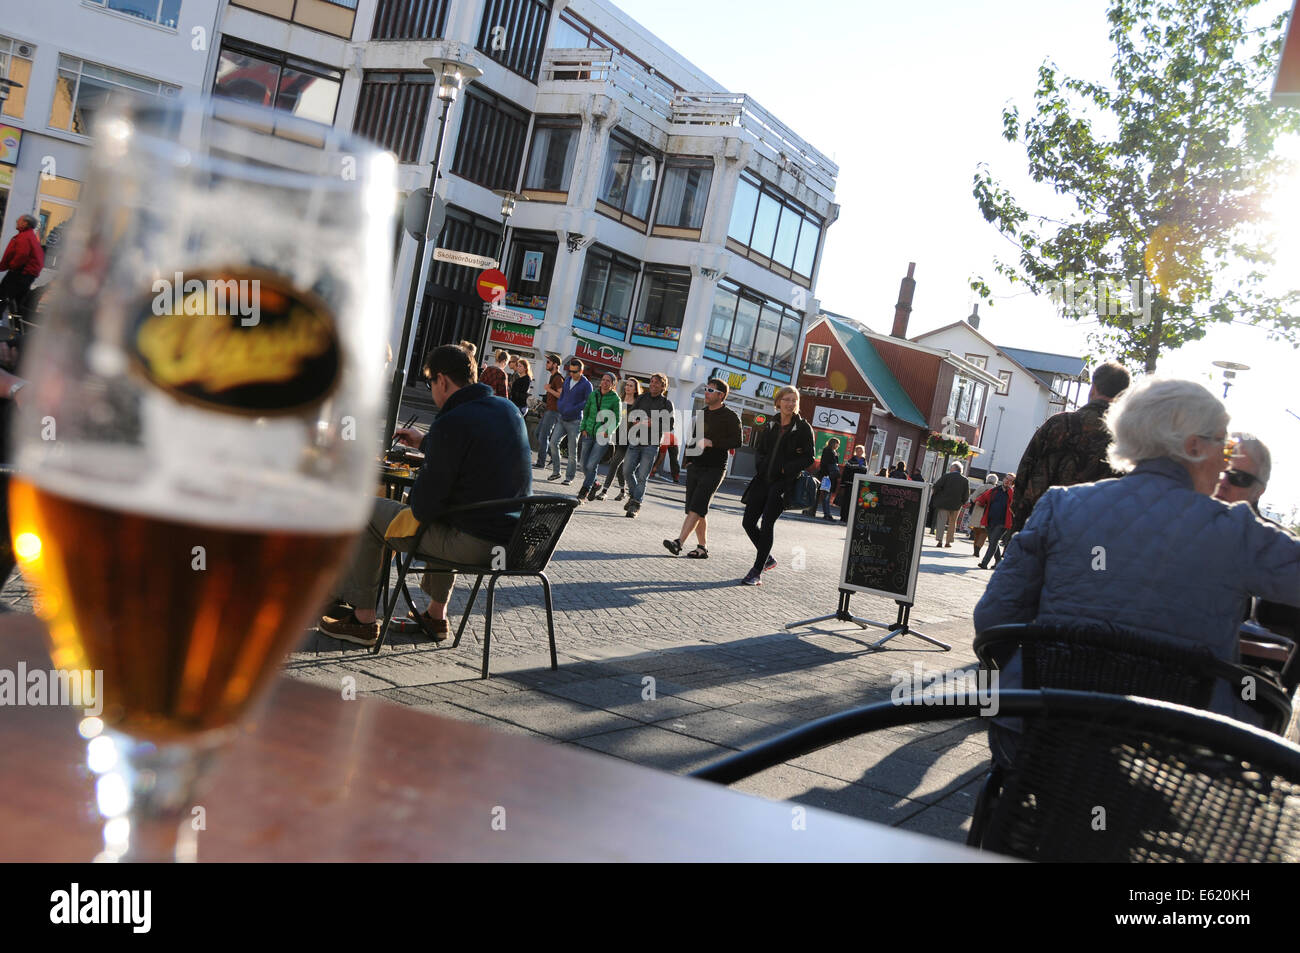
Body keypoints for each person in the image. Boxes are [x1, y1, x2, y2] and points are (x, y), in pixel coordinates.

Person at [974, 378, 1300, 760]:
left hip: (1041, 730)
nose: (1226, 462)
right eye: (1225, 447)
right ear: (1194, 447)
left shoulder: (1059, 506)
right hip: (1171, 749)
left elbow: (993, 618)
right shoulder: (1237, 531)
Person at [319, 345, 531, 647]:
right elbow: (477, 451)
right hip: (511, 542)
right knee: (447, 513)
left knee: (365, 512)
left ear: (442, 380)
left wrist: (433, 460)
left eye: (431, 383)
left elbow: (423, 507)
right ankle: (435, 615)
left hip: (473, 543)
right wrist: (429, 444)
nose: (432, 390)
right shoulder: (506, 410)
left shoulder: (452, 421)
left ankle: (363, 620)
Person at [1214, 434, 1300, 687]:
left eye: (1239, 478)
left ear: (1258, 491)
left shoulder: (1270, 546)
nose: (1223, 483)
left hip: (1231, 680)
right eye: (1219, 471)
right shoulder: (1175, 521)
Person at [1011, 361, 1130, 532]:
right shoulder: (1128, 438)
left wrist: (1020, 515)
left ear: (1093, 388)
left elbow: (1024, 471)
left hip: (1040, 525)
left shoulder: (1059, 424)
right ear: (1124, 395)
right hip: (1093, 534)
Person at [739, 386, 815, 586]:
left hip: (784, 483)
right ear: (779, 402)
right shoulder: (771, 423)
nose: (790, 404)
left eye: (794, 400)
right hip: (763, 478)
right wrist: (761, 464)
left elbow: (809, 457)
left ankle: (756, 570)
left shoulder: (803, 428)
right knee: (747, 522)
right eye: (787, 399)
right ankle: (768, 559)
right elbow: (760, 449)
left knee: (767, 524)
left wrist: (786, 469)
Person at [664, 378, 741, 559]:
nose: (706, 392)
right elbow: (692, 439)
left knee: (698, 506)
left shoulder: (730, 416)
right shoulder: (702, 413)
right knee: (696, 508)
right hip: (696, 466)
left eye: (710, 390)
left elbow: (737, 442)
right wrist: (688, 461)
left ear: (721, 395)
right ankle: (702, 548)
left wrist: (713, 443)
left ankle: (678, 543)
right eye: (706, 389)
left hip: (715, 468)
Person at [623, 372, 673, 518]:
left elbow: (669, 424)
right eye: (651, 382)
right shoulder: (642, 398)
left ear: (663, 386)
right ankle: (633, 497)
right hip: (636, 439)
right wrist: (636, 420)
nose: (652, 384)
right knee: (626, 471)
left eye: (656, 382)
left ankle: (635, 504)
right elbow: (632, 414)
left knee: (642, 476)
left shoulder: (666, 404)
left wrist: (653, 422)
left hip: (651, 444)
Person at [575, 372, 621, 503]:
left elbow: (617, 418)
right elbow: (586, 411)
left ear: (613, 384)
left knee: (591, 464)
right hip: (588, 433)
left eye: (608, 381)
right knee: (583, 464)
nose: (605, 382)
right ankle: (595, 483)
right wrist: (583, 428)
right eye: (603, 380)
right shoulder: (593, 394)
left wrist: (608, 431)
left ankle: (584, 491)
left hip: (602, 436)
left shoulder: (615, 399)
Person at [546, 358, 592, 486]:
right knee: (553, 443)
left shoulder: (587, 385)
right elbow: (562, 396)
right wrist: (560, 406)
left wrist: (573, 408)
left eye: (574, 371)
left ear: (581, 371)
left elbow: (588, 402)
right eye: (570, 371)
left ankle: (569, 477)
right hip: (562, 418)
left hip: (575, 421)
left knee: (572, 451)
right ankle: (556, 471)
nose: (571, 374)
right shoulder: (567, 380)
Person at [596, 377, 641, 501]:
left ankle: (604, 491)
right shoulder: (620, 400)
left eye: (631, 386)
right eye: (627, 385)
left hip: (630, 438)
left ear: (636, 389)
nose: (628, 387)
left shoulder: (638, 403)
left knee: (615, 463)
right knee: (619, 466)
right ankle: (622, 491)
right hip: (617, 436)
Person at [0, 215, 43, 320]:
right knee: (18, 300)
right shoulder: (29, 236)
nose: (17, 221)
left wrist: (12, 266)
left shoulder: (24, 237)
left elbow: (22, 255)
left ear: (25, 223)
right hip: (27, 273)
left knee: (3, 296)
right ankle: (19, 325)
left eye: (19, 220)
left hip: (20, 273)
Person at [973, 473, 1014, 569]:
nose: (1007, 481)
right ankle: (999, 562)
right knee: (993, 542)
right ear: (1003, 479)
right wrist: (979, 502)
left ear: (1013, 483)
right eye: (1006, 479)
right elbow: (981, 499)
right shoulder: (994, 490)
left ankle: (984, 563)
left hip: (1003, 523)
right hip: (990, 521)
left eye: (1010, 480)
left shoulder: (1013, 494)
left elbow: (1016, 506)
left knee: (993, 541)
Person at [535, 353, 564, 470]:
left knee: (543, 436)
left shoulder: (558, 378)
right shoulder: (553, 377)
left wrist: (548, 389)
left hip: (554, 412)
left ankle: (541, 463)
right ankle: (554, 456)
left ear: (555, 364)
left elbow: (561, 395)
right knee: (538, 433)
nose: (546, 364)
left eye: (548, 362)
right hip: (549, 410)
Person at [931, 463, 971, 547]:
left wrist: (936, 496)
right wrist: (963, 502)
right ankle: (948, 542)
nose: (950, 469)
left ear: (954, 469)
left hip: (943, 503)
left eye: (951, 468)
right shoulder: (965, 480)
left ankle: (940, 540)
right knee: (952, 523)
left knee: (941, 521)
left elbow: (937, 486)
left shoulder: (946, 476)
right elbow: (966, 494)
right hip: (956, 504)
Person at [966, 473, 999, 557]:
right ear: (996, 482)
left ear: (987, 479)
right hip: (989, 514)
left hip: (977, 512)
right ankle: (978, 549)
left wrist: (979, 501)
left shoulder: (981, 487)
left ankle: (975, 550)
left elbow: (973, 498)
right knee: (984, 533)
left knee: (977, 532)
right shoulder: (997, 490)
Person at [810, 437, 840, 520]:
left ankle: (812, 511)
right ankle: (826, 514)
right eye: (837, 443)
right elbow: (827, 464)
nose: (838, 445)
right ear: (833, 443)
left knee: (820, 493)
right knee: (825, 495)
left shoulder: (833, 451)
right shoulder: (828, 451)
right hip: (826, 476)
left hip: (827, 475)